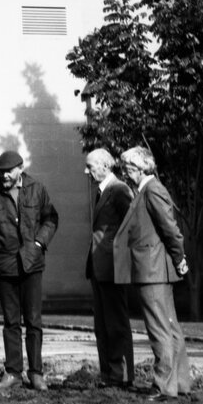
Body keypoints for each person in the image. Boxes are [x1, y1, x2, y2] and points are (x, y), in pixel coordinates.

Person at [0, 150, 59, 390]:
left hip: (32, 264)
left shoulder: (37, 189)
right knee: (11, 321)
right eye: (1, 171)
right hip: (5, 265)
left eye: (9, 171)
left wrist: (40, 243)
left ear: (20, 168)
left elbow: (50, 219)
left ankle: (36, 373)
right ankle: (12, 373)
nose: (4, 176)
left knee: (33, 321)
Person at [113, 147, 191, 399]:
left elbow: (170, 229)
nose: (126, 173)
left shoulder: (152, 189)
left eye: (129, 168)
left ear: (141, 168)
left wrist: (180, 258)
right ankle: (178, 384)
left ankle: (163, 386)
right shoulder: (147, 190)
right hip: (154, 269)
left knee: (160, 328)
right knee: (170, 327)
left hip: (152, 270)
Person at [83, 149, 135, 388]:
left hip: (113, 267)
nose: (87, 171)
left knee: (115, 323)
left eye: (91, 166)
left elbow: (131, 227)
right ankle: (109, 374)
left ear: (105, 165)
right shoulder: (102, 191)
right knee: (102, 325)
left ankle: (121, 376)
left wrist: (122, 261)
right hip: (99, 267)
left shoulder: (119, 190)